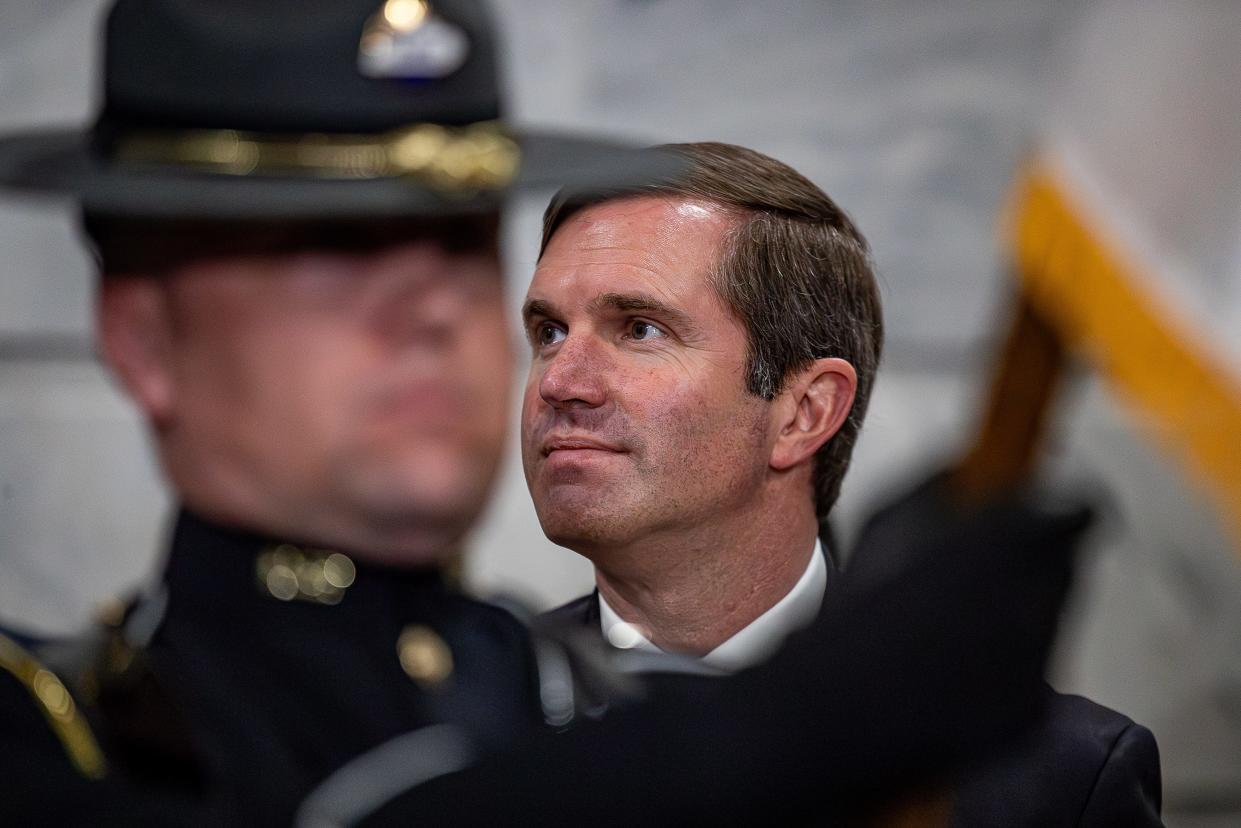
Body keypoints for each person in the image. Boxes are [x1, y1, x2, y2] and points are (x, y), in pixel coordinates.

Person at [0, 0, 680, 823]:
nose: (435, 307)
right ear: (145, 341)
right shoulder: (42, 746)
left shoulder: (601, 704)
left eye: (464, 241)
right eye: (340, 241)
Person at [523, 141, 1162, 826]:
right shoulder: (444, 732)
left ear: (805, 411)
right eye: (549, 332)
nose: (559, 381)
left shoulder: (1056, 777)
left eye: (639, 328)